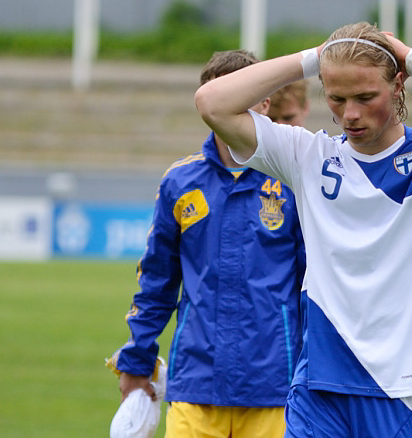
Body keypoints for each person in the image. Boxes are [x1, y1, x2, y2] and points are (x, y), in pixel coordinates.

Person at [195, 21, 412, 437]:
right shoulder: (306, 156)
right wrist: (313, 59)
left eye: (365, 96)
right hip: (319, 389)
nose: (351, 114)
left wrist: (410, 57)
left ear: (398, 85)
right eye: (337, 98)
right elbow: (211, 102)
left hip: (408, 393)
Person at [109, 50, 307, 438]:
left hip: (275, 387)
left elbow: (314, 285)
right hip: (195, 385)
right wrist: (136, 364)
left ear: (265, 102)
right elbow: (156, 283)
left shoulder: (293, 180)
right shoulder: (180, 183)